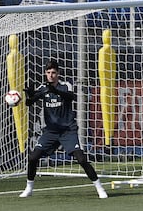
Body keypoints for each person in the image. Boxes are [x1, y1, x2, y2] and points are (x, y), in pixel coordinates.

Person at [19, 59, 108, 199]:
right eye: (48, 72)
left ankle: (99, 188)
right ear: (45, 73)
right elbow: (29, 103)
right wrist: (29, 94)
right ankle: (29, 188)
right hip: (50, 132)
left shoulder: (65, 86)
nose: (51, 75)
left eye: (53, 72)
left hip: (67, 131)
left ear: (58, 73)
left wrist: (55, 90)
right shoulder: (43, 88)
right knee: (33, 157)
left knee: (81, 159)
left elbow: (71, 97)